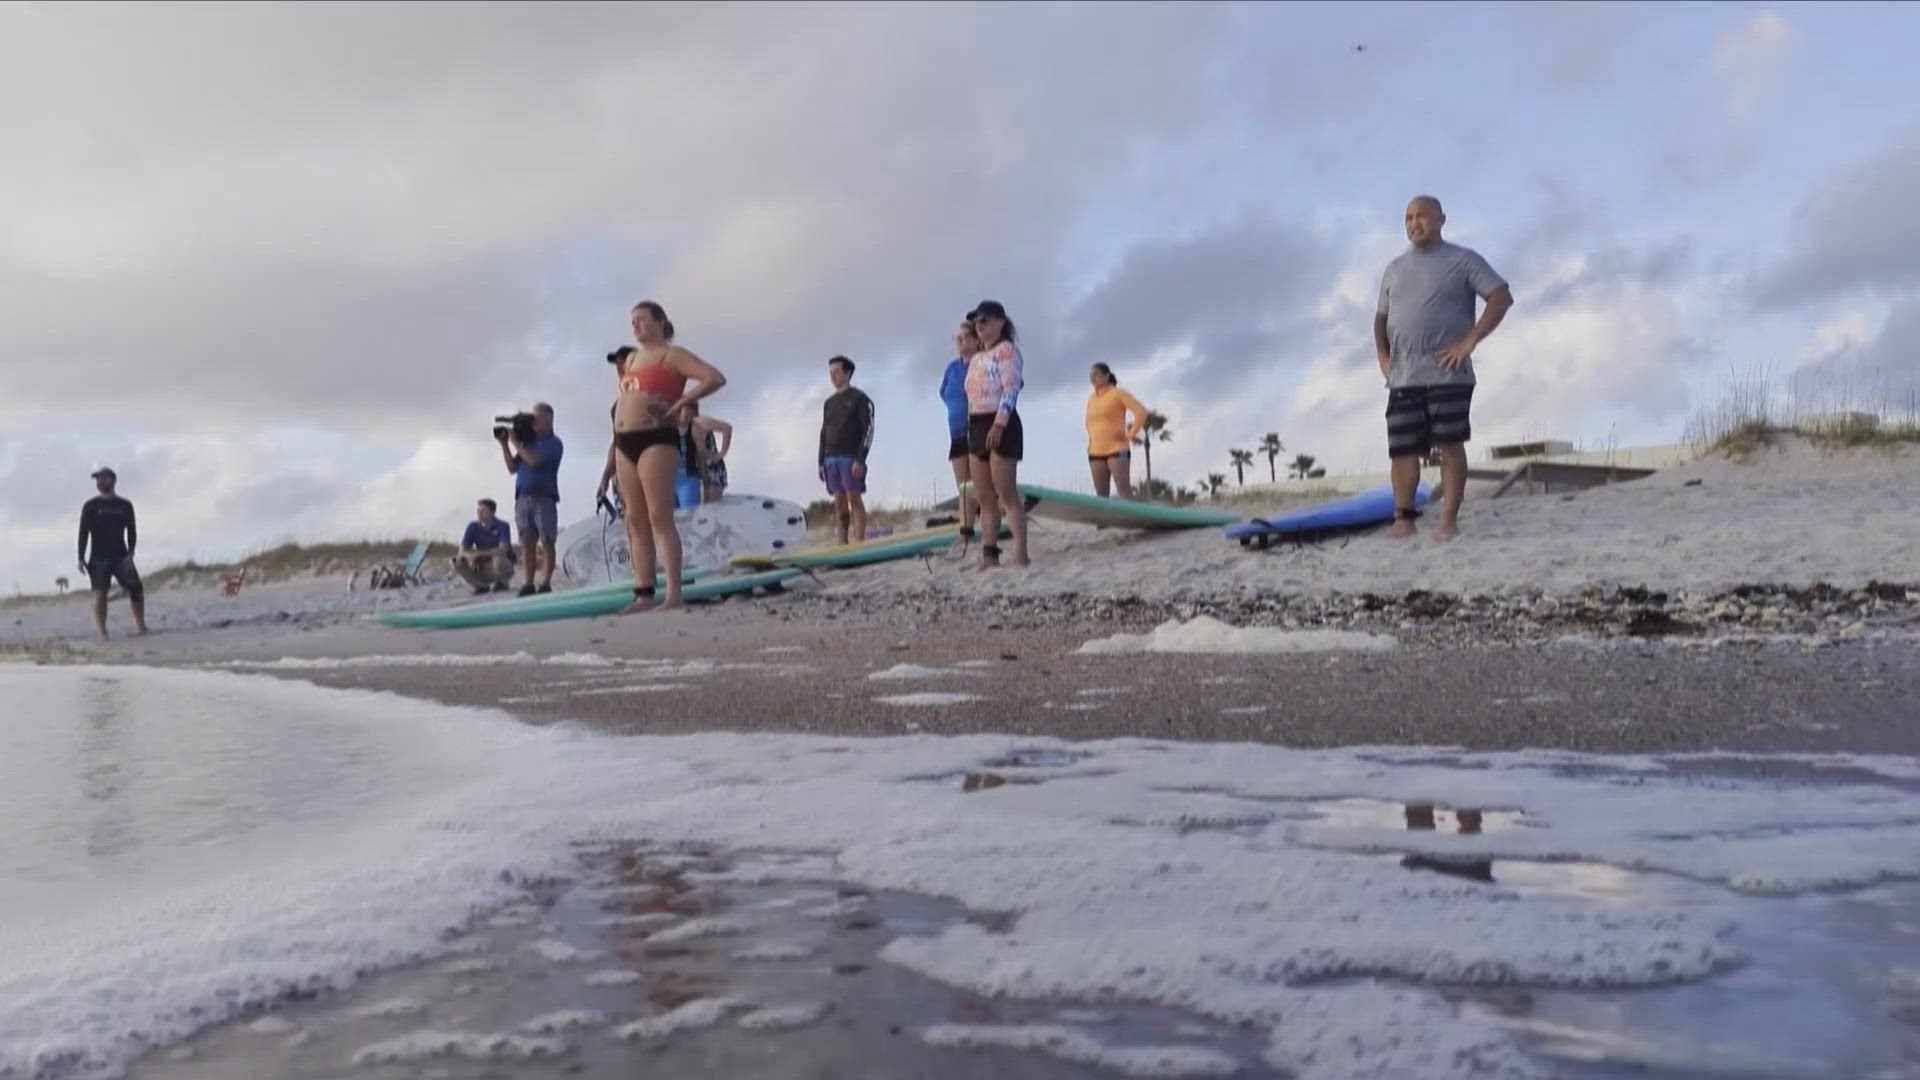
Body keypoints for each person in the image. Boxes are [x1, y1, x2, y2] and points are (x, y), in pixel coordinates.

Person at [1374, 195, 1513, 541]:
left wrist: (1471, 340)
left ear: (1440, 220)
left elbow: (1500, 296)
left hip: (1448, 373)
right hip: (1403, 376)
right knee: (1403, 449)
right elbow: (1380, 318)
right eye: (1408, 217)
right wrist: (1383, 357)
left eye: (1421, 216)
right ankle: (1404, 519)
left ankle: (1448, 519)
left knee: (1450, 444)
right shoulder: (1394, 268)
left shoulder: (1463, 260)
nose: (1413, 223)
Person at [610, 300, 727, 612]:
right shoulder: (632, 359)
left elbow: (714, 377)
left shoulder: (673, 355)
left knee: (659, 515)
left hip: (657, 438)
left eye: (642, 320)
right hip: (624, 440)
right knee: (634, 519)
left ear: (660, 321)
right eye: (632, 321)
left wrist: (681, 403)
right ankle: (644, 593)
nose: (635, 326)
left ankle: (674, 593)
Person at [964, 300, 1029, 568]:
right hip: (977, 423)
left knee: (1007, 494)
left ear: (1000, 322)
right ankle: (990, 554)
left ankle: (1021, 553)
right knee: (984, 496)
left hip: (999, 421)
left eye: (985, 319)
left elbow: (1011, 388)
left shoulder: (1007, 351)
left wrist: (1000, 424)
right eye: (977, 321)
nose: (980, 325)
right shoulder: (977, 357)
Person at [498, 402, 564, 595]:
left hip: (544, 497)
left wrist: (515, 442)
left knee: (547, 541)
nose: (533, 421)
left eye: (537, 417)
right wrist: (505, 445)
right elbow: (512, 468)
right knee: (527, 543)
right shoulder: (529, 443)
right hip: (523, 498)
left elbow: (534, 461)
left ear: (548, 419)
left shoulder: (554, 443)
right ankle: (528, 583)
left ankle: (546, 582)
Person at [77, 467, 147, 639]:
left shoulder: (124, 505)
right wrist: (80, 557)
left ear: (113, 480)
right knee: (100, 593)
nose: (99, 482)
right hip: (98, 557)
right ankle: (102, 632)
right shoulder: (90, 506)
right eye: (97, 480)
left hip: (121, 555)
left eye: (103, 478)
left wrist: (131, 553)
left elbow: (132, 530)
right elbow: (83, 532)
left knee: (135, 588)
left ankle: (141, 626)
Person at [818, 355, 875, 545]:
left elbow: (869, 429)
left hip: (850, 457)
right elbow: (823, 432)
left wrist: (861, 459)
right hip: (830, 458)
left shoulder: (860, 398)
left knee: (854, 498)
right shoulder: (829, 403)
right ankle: (842, 543)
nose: (833, 376)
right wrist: (820, 461)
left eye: (837, 372)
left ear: (847, 373)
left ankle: (860, 541)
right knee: (839, 503)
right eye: (831, 373)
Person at [940, 320, 980, 537]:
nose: (961, 343)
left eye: (966, 338)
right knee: (964, 485)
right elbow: (943, 393)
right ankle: (966, 530)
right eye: (958, 339)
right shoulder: (952, 368)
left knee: (980, 482)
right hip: (956, 430)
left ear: (975, 340)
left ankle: (992, 523)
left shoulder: (981, 362)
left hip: (977, 428)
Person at [1085, 362, 1148, 499]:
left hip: (1117, 450)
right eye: (1090, 376)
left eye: (1096, 374)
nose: (1092, 378)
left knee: (1123, 491)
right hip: (1095, 452)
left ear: (1106, 375)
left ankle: (1129, 520)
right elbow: (1089, 423)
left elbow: (1141, 412)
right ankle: (1103, 521)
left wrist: (1129, 435)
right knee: (1101, 496)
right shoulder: (1091, 399)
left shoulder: (1118, 394)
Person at [451, 498, 515, 593]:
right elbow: (462, 551)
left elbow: (503, 550)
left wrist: (480, 554)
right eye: (478, 510)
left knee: (499, 559)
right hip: (480, 566)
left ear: (492, 512)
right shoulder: (473, 526)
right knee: (456, 561)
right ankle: (480, 586)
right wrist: (471, 557)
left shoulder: (503, 525)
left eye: (483, 511)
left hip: (499, 566)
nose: (479, 513)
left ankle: (502, 583)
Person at [679, 401, 733, 505]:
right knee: (703, 503)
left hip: (712, 464)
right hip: (700, 465)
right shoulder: (686, 425)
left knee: (711, 504)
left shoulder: (699, 421)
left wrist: (722, 452)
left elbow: (727, 428)